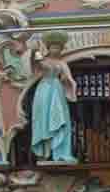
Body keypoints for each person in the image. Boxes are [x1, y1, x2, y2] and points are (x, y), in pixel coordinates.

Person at [30, 32, 78, 163]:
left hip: (57, 90)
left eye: (58, 48)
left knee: (60, 118)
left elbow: (69, 78)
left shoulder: (62, 63)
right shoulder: (43, 60)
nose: (56, 50)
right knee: (43, 119)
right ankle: (44, 153)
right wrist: (35, 50)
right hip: (45, 89)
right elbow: (40, 65)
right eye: (53, 47)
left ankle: (61, 153)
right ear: (48, 48)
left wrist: (70, 83)